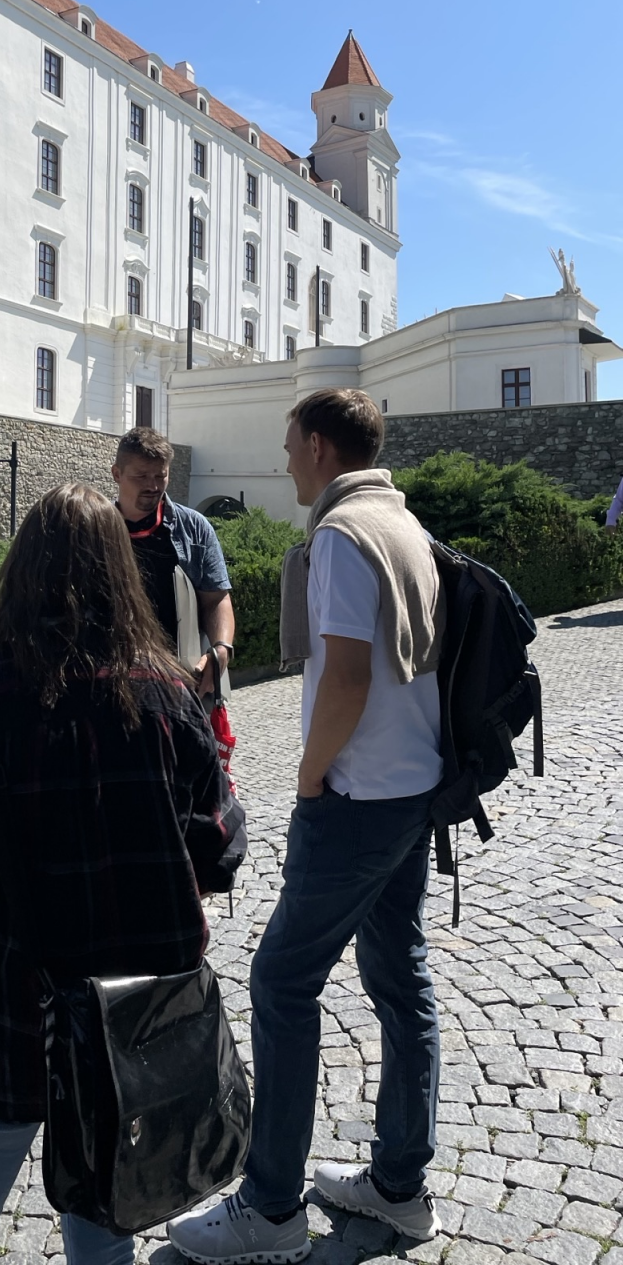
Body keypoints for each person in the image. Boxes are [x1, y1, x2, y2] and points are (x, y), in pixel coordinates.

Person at [0, 483, 246, 1265]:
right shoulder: (170, 693)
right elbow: (218, 854)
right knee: (109, 1224)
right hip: (136, 1025)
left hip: (14, 1011)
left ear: (20, 572)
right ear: (121, 573)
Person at [169, 389, 444, 1265]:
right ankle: (399, 1186)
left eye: (291, 445)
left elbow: (349, 677)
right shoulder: (403, 522)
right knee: (400, 978)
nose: (285, 459)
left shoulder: (342, 534)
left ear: (320, 446)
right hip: (414, 787)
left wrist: (309, 773)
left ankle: (272, 1206)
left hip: (357, 796)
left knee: (283, 982)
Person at [111, 427, 235, 678]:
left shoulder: (195, 527)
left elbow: (216, 599)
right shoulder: (95, 528)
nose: (153, 485)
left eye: (161, 475)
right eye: (141, 476)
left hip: (182, 677)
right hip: (113, 675)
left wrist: (221, 649)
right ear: (117, 474)